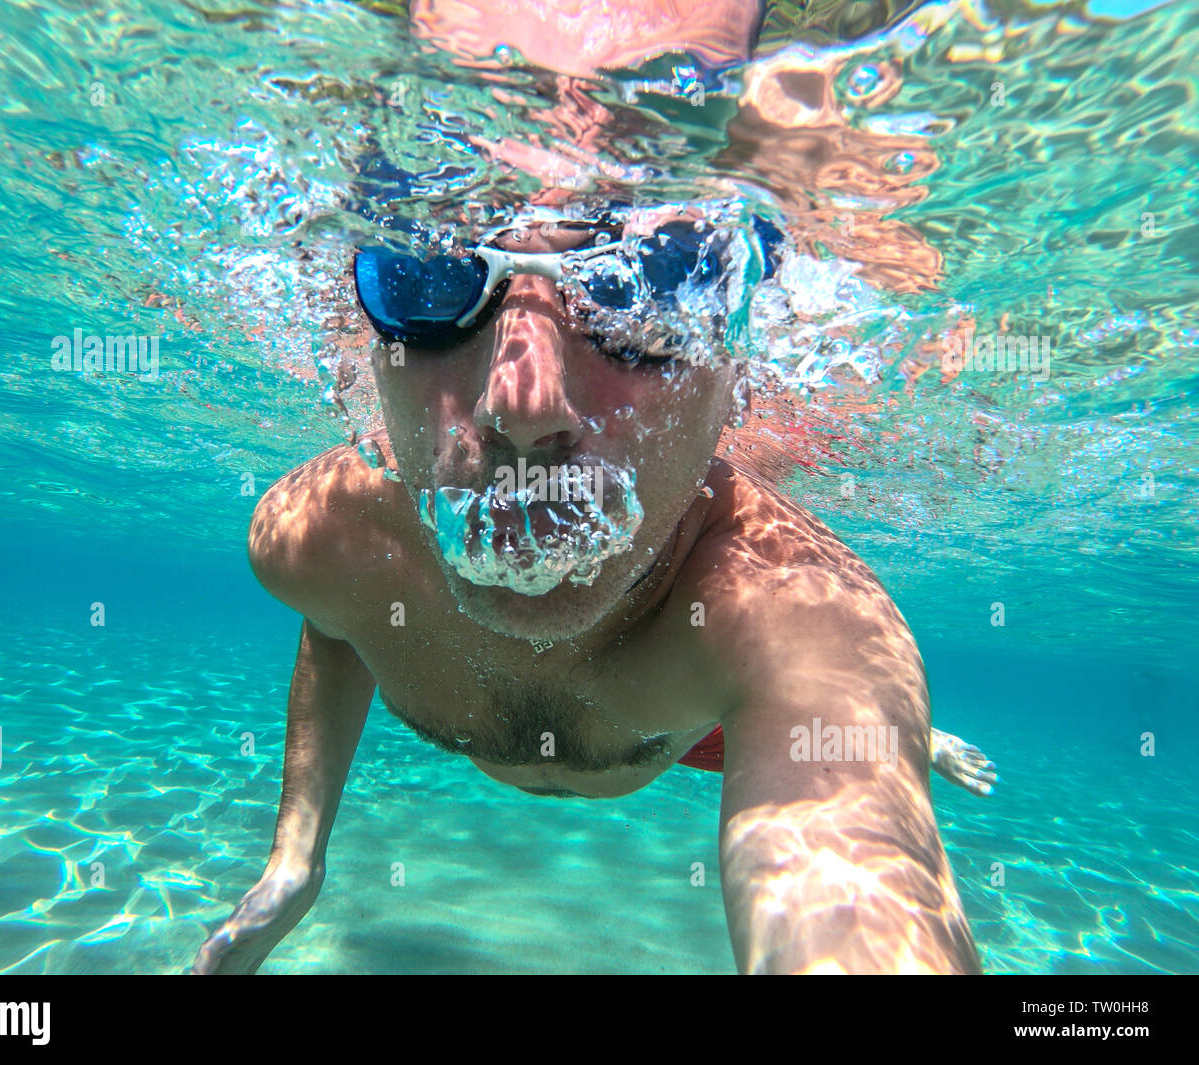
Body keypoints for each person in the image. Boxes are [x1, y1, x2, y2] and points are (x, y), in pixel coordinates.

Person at [191, 194, 996, 974]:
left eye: (644, 287)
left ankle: (913, 735)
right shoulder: (319, 541)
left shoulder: (786, 613)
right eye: (426, 278)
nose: (521, 403)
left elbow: (851, 885)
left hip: (703, 725)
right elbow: (337, 625)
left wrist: (867, 731)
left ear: (732, 377)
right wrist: (295, 857)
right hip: (650, 707)